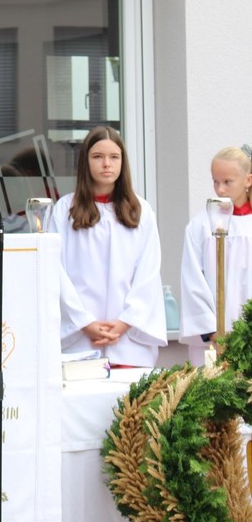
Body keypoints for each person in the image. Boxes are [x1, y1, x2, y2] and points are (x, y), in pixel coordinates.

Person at [50, 125, 166, 367]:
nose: (107, 164)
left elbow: (148, 272)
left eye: (114, 157)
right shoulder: (65, 210)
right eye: (97, 157)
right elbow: (55, 270)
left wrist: (125, 322)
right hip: (81, 339)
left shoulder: (141, 211)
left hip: (128, 342)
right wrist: (84, 322)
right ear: (85, 161)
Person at [180, 145, 252, 366]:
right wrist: (213, 332)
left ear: (248, 180)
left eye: (227, 182)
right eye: (215, 181)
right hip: (214, 341)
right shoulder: (200, 226)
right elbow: (192, 280)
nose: (220, 189)